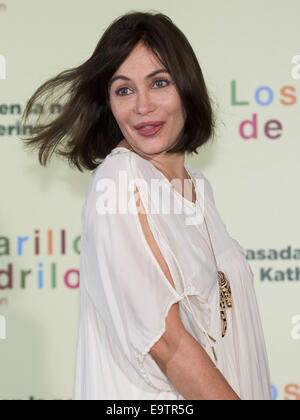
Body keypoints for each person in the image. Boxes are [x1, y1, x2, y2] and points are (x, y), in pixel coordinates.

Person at [21, 11, 272, 400]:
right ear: (109, 104)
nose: (142, 106)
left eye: (159, 83)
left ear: (186, 88)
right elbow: (166, 343)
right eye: (123, 90)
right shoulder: (120, 179)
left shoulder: (197, 187)